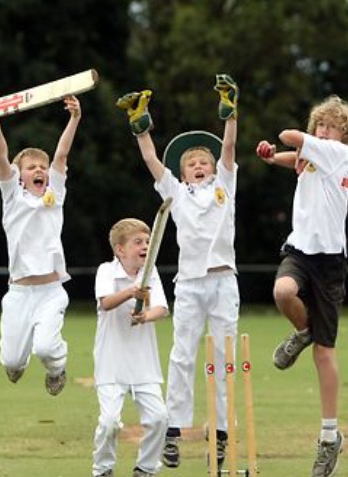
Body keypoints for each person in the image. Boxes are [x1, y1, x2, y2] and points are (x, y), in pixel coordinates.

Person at [116, 74, 240, 469]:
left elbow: (231, 148)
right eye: (192, 164)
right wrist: (141, 126)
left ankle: (221, 432)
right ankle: (173, 432)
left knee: (224, 356)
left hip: (223, 280)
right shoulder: (175, 192)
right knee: (183, 355)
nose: (200, 166)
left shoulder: (225, 183)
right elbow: (153, 161)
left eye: (204, 161)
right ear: (183, 174)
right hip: (189, 283)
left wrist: (231, 113)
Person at [255, 94, 348, 477]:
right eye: (320, 125)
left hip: (330, 262)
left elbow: (290, 138)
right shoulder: (317, 157)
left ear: (344, 135)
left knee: (325, 353)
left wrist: (291, 141)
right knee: (283, 291)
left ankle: (330, 438)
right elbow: (294, 160)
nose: (323, 130)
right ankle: (302, 330)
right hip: (301, 249)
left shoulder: (338, 153)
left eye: (331, 126)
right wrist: (272, 158)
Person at [0, 96, 81, 397]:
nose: (39, 170)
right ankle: (17, 361)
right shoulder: (12, 198)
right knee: (11, 360)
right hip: (19, 292)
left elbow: (62, 154)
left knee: (47, 348)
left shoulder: (55, 195)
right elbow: (1, 155)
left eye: (43, 167)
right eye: (31, 167)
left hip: (50, 291)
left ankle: (56, 369)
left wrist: (74, 118)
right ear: (19, 177)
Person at [91, 218, 170, 477]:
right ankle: (103, 470)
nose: (145, 246)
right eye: (138, 242)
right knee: (110, 422)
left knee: (159, 418)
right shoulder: (106, 270)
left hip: (143, 363)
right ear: (120, 250)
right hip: (111, 363)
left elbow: (161, 308)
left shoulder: (151, 272)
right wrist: (131, 293)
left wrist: (145, 316)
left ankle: (145, 469)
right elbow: (105, 303)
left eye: (147, 241)